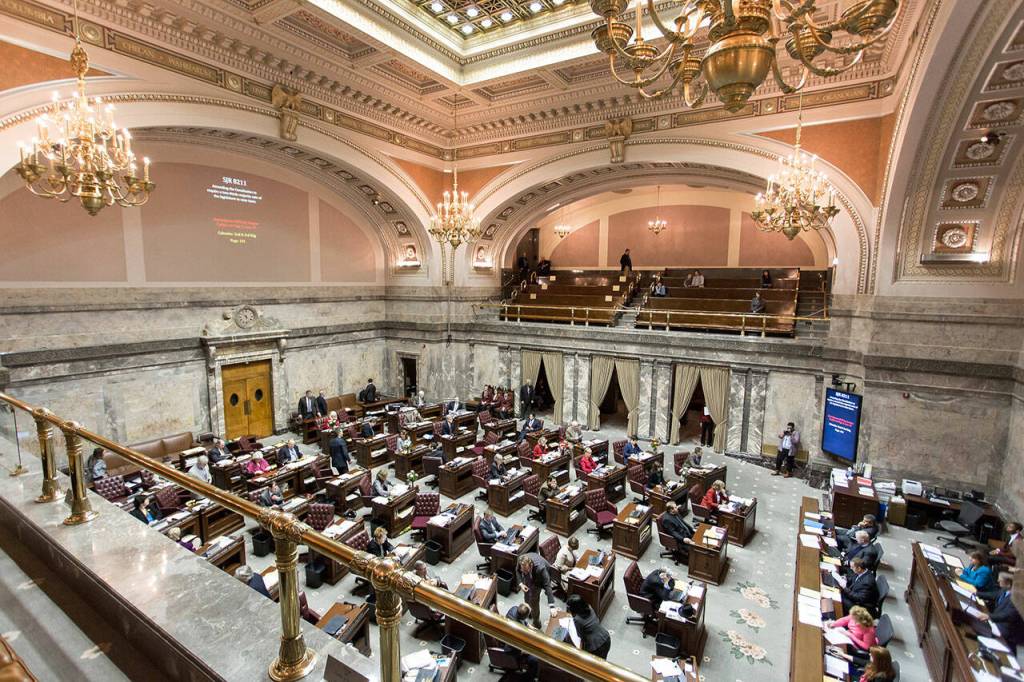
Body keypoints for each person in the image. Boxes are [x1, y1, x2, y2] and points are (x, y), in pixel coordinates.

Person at [982, 572, 1024, 649]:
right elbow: (993, 595)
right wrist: (977, 593)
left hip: (1007, 630)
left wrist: (989, 616)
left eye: (1000, 580)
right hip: (998, 621)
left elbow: (1008, 615)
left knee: (982, 630)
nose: (997, 581)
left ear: (1008, 584)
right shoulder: (1005, 590)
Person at [566, 594, 611, 659]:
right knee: (603, 661)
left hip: (595, 646)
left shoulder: (577, 619)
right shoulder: (589, 607)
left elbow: (580, 635)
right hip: (606, 637)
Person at [517, 553, 556, 628]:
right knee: (527, 595)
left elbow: (547, 585)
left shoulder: (541, 569)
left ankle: (536, 622)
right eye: (523, 570)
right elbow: (518, 570)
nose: (524, 572)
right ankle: (528, 611)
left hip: (538, 579)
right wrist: (521, 584)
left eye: (525, 570)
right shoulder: (521, 561)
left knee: (534, 601)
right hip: (530, 576)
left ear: (530, 565)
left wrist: (552, 606)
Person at [504, 603, 540, 679]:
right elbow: (513, 644)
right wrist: (524, 651)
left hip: (519, 640)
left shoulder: (515, 608)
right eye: (527, 616)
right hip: (512, 648)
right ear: (524, 617)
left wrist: (529, 626)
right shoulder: (516, 629)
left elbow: (523, 620)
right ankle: (530, 677)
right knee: (534, 659)